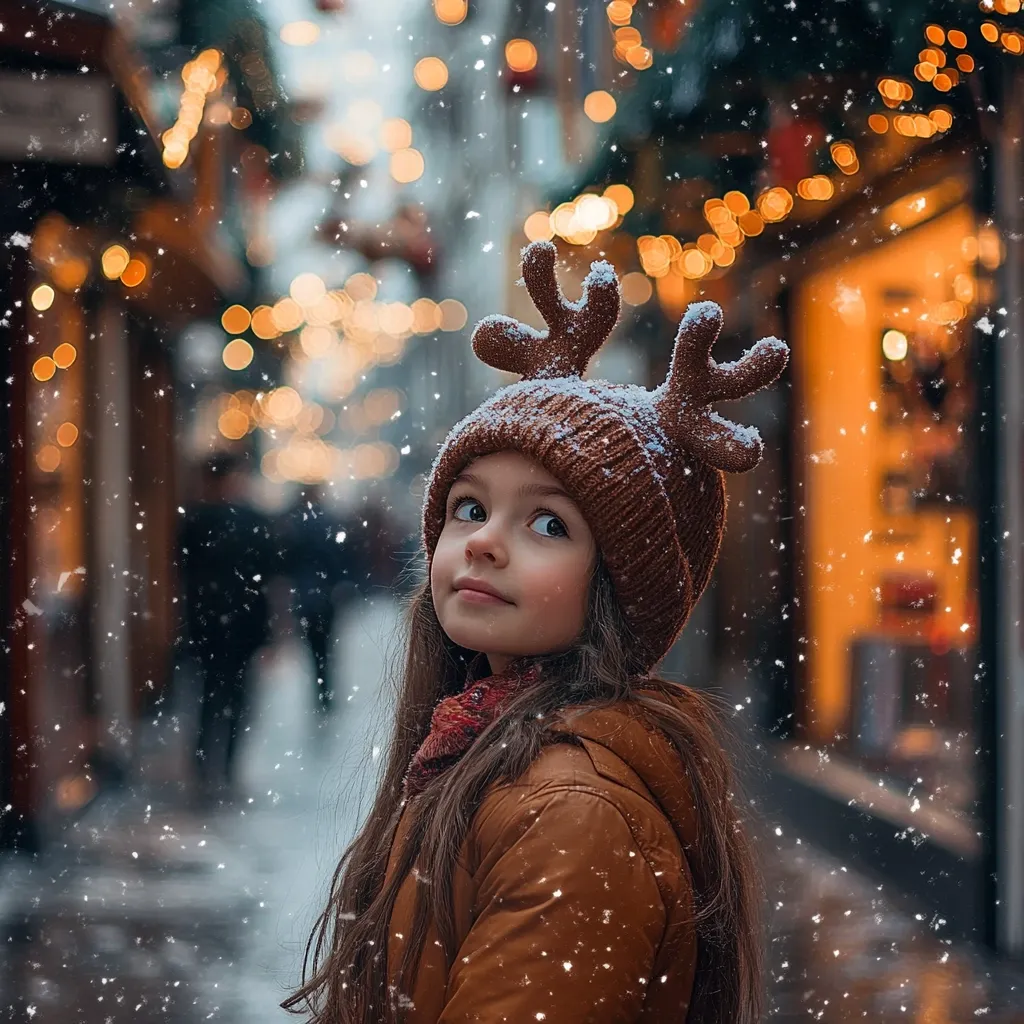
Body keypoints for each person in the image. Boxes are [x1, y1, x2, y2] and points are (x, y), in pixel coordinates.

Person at [283, 241, 789, 1023]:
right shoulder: (480, 748)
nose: (484, 541)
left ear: (620, 585)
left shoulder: (572, 815)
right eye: (471, 507)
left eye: (548, 523)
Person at [178, 452, 275, 803]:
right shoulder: (247, 521)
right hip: (235, 627)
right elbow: (266, 582)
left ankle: (210, 771)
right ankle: (222, 770)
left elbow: (183, 578)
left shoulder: (194, 521)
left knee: (211, 697)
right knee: (231, 699)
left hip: (211, 627)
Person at [281, 485, 358, 718]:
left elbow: (287, 561)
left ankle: (320, 689)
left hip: (305, 595)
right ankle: (326, 690)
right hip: (326, 594)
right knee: (326, 645)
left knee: (313, 646)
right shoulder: (329, 522)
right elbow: (340, 558)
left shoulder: (294, 524)